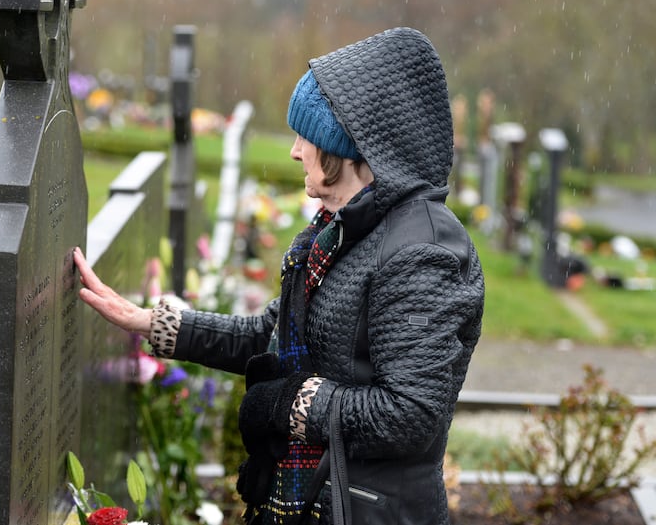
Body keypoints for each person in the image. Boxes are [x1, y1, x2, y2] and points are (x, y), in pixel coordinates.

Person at [74, 27, 484, 525]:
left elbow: (410, 416)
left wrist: (292, 402)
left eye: (304, 136)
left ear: (343, 146)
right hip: (316, 498)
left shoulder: (421, 250)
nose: (294, 151)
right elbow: (264, 335)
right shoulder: (342, 230)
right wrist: (150, 323)